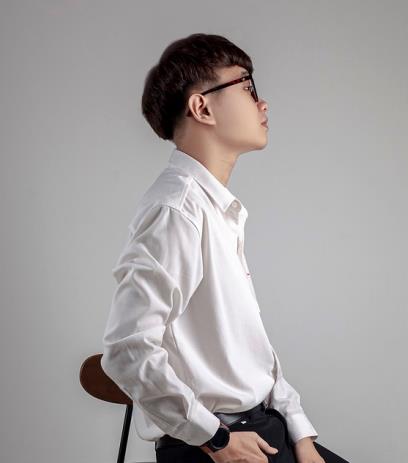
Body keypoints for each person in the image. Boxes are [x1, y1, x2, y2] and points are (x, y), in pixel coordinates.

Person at [101, 33, 350, 463]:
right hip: (219, 444)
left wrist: (301, 433)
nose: (263, 103)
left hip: (263, 427)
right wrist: (214, 439)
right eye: (247, 87)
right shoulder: (177, 209)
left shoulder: (216, 209)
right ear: (202, 108)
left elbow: (247, 356)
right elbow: (127, 348)